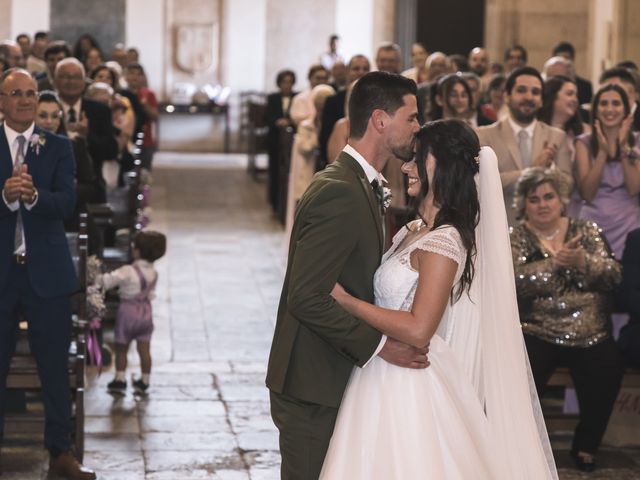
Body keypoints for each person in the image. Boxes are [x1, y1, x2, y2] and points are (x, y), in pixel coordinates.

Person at [321, 120, 558, 479]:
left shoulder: (444, 241)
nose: (405, 167)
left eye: (417, 159)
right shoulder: (416, 229)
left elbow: (419, 328)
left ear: (443, 166)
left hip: (408, 381)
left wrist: (347, 303)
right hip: (380, 368)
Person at [266, 71, 427, 480]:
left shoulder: (363, 184)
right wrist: (380, 346)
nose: (417, 127)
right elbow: (307, 296)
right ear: (379, 120)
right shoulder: (340, 190)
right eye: (411, 117)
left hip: (331, 374)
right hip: (312, 382)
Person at [0, 68, 96, 479]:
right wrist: (4, 197)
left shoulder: (57, 145)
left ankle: (60, 453)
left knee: (54, 367)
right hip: (3, 272)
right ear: (2, 100)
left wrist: (35, 196)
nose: (24, 100)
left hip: (48, 273)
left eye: (30, 93)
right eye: (15, 93)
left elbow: (69, 202)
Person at [510, 167, 623, 472]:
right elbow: (513, 282)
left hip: (591, 330)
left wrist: (583, 261)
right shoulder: (516, 237)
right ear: (524, 205)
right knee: (518, 374)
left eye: (549, 196)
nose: (543, 204)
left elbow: (613, 275)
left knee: (609, 366)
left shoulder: (586, 230)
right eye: (534, 199)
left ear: (561, 200)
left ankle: (587, 446)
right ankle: (523, 446)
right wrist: (553, 264)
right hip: (537, 329)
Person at [477, 66, 572, 225]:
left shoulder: (556, 136)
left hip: (544, 230)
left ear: (541, 100)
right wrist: (533, 171)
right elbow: (483, 183)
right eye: (521, 90)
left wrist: (550, 171)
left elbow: (567, 185)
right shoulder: (484, 135)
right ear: (507, 96)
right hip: (499, 226)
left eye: (535, 92)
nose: (529, 97)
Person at [574, 83, 640, 260]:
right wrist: (602, 152)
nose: (609, 109)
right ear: (595, 109)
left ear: (626, 109)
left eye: (616, 103)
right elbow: (587, 193)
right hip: (593, 223)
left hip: (629, 223)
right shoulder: (583, 143)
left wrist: (623, 146)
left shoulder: (637, 141)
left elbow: (634, 188)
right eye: (603, 104)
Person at [99, 230, 166, 396]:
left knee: (122, 349)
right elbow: (150, 294)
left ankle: (120, 379)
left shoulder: (128, 270)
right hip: (146, 314)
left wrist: (97, 278)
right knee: (145, 350)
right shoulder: (154, 273)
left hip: (128, 313)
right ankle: (145, 380)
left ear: (137, 250)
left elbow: (108, 281)